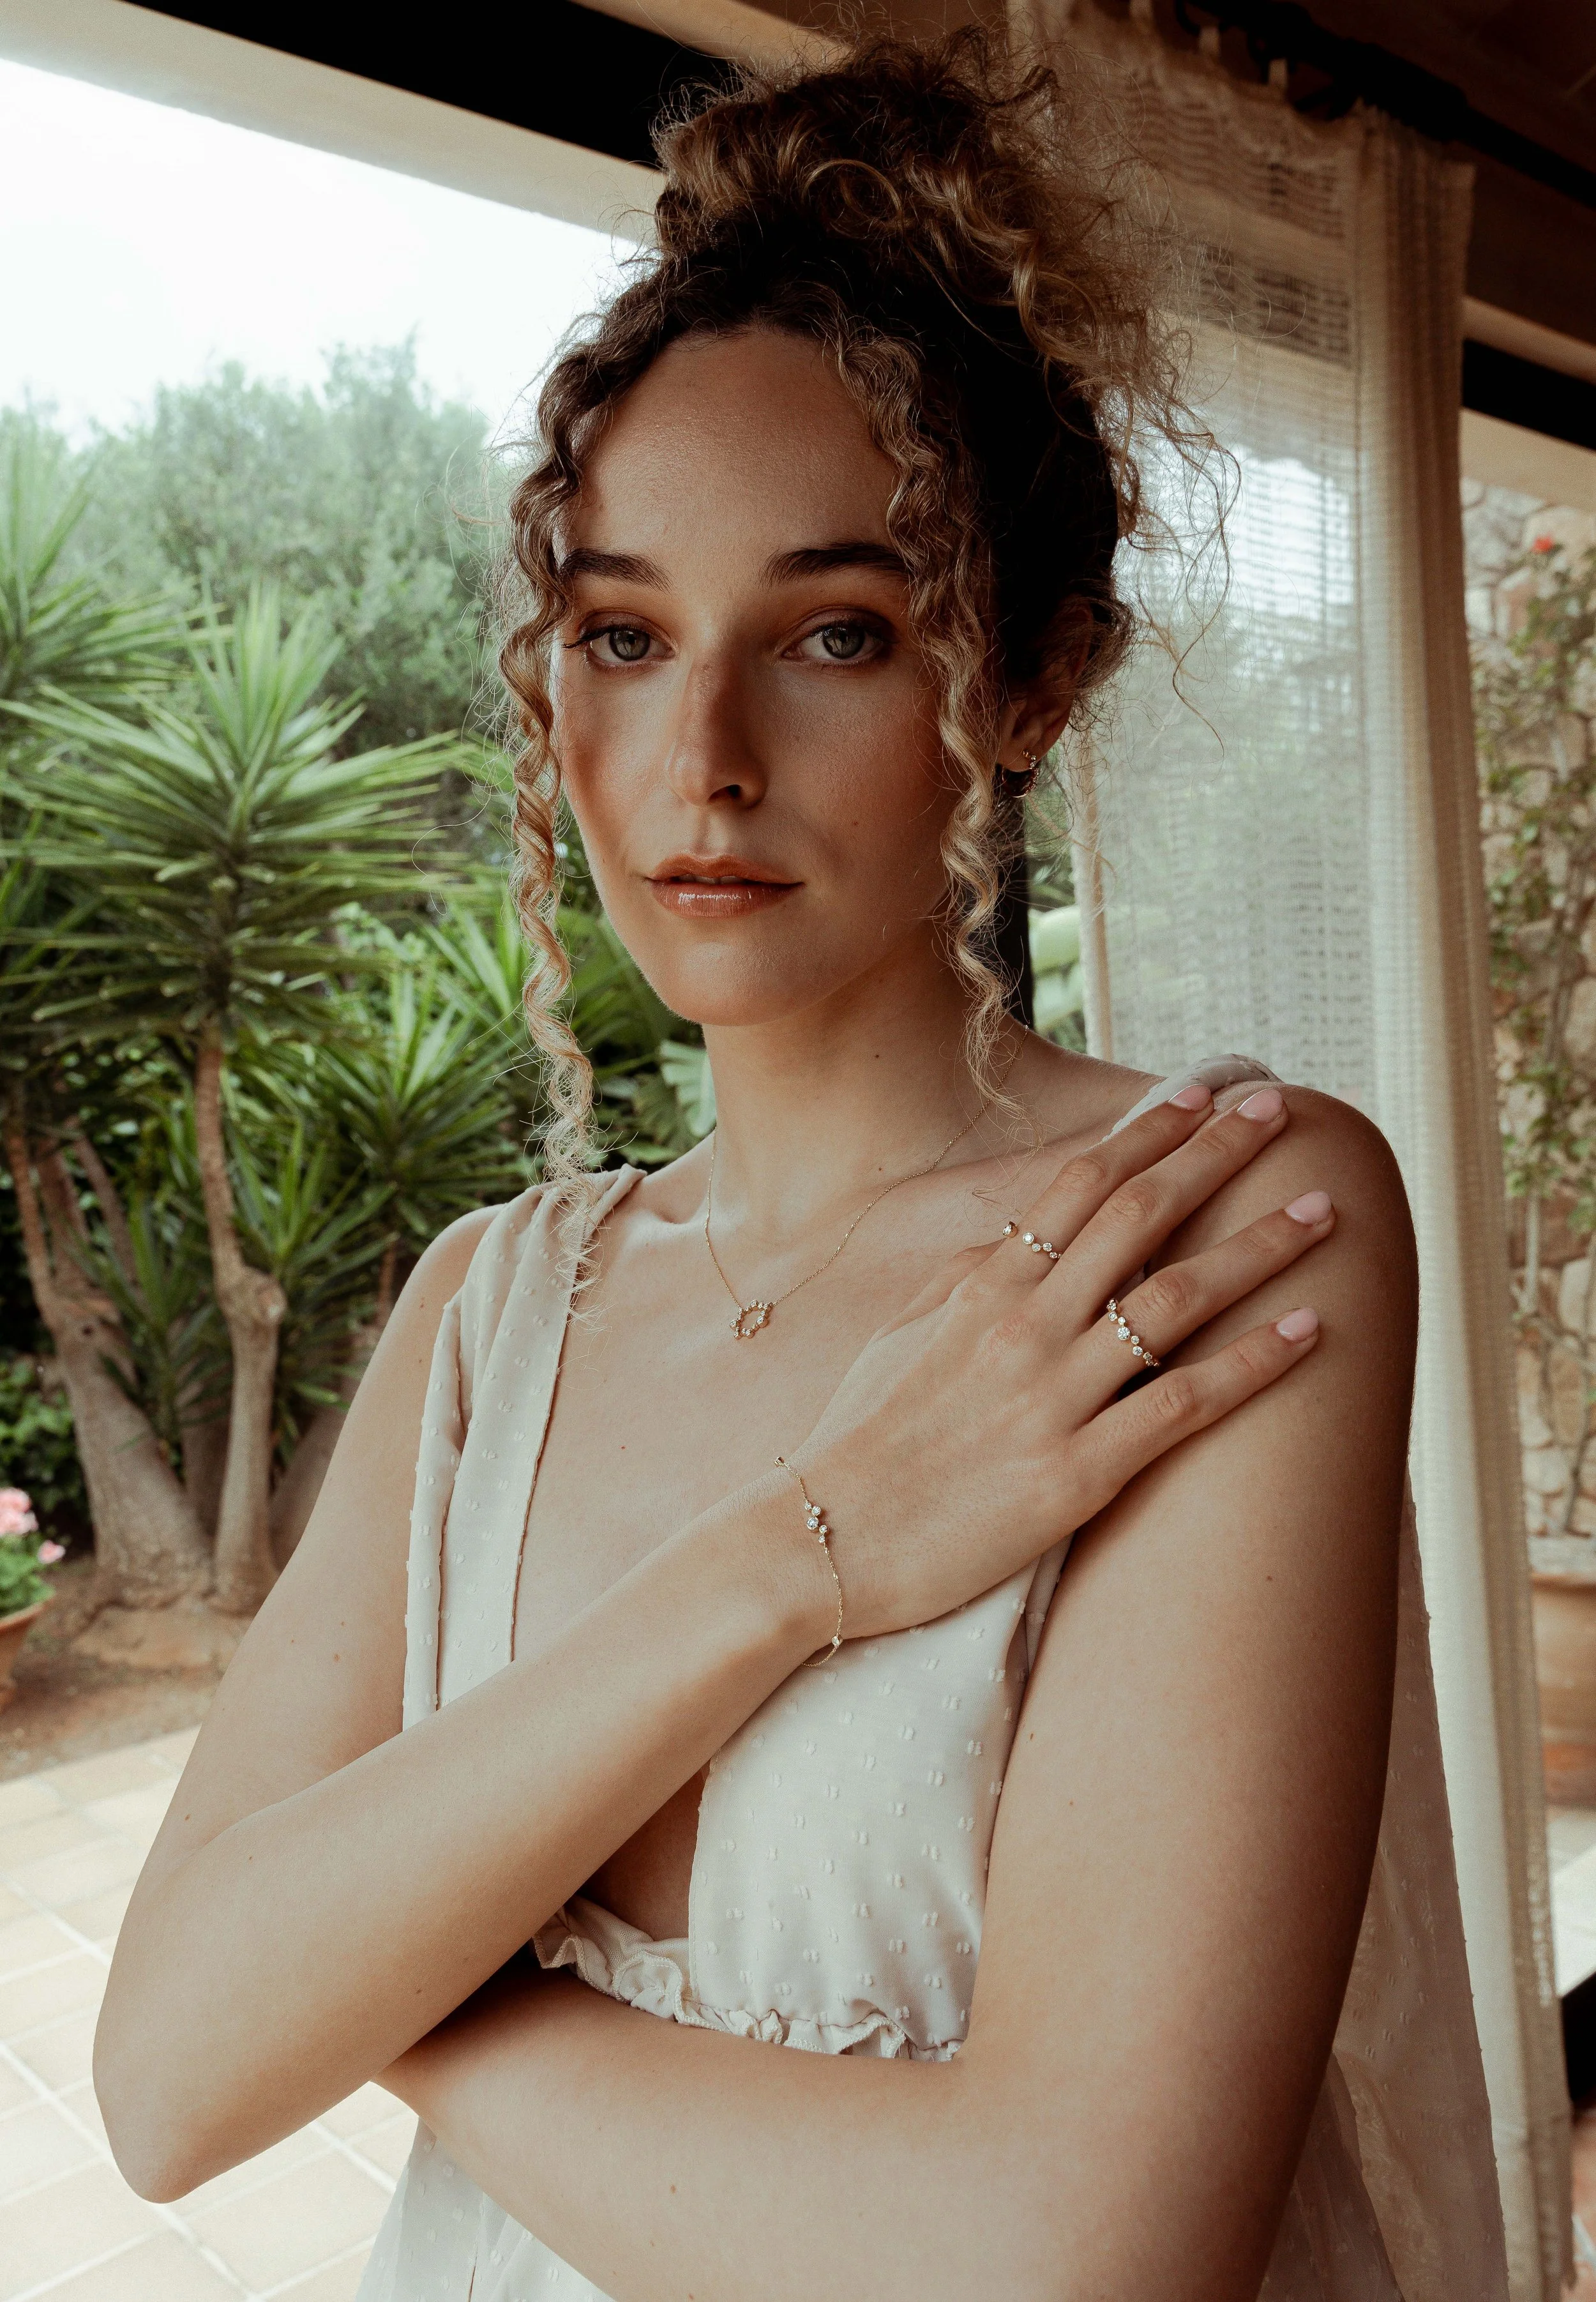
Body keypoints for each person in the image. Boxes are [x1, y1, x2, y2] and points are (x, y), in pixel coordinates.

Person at [94, 32, 1503, 2301]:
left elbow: (1070, 2253)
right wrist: (806, 1556)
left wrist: (380, 1969)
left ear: (1028, 682)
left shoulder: (1209, 1227)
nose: (702, 758)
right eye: (623, 636)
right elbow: (163, 2073)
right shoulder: (488, 1308)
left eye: (834, 633)